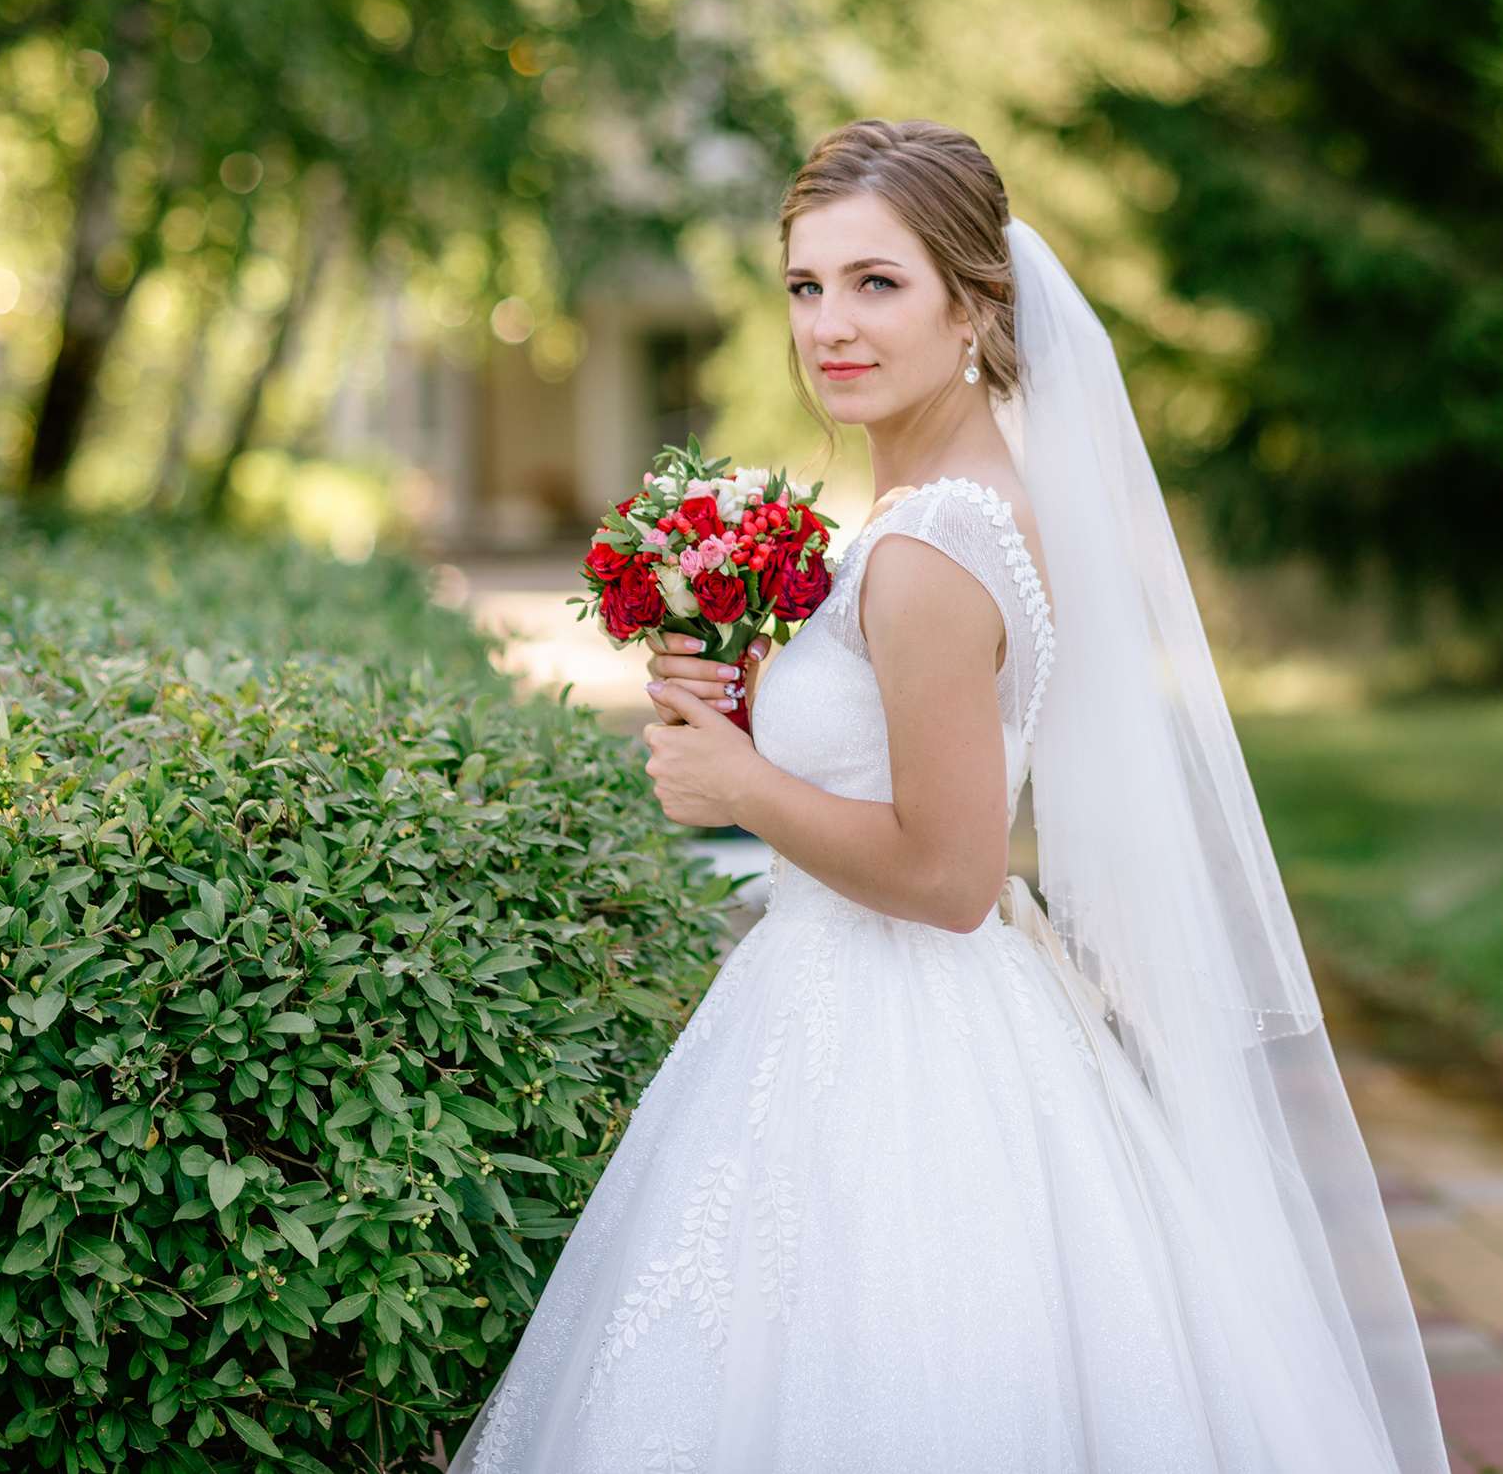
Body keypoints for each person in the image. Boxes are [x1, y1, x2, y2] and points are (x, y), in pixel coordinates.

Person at [450, 120, 1445, 1474]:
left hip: (891, 1032)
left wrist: (739, 779)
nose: (830, 326)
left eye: (878, 283)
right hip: (886, 1003)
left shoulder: (931, 545)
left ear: (974, 304)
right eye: (806, 286)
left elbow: (950, 870)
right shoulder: (940, 507)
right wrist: (742, 695)